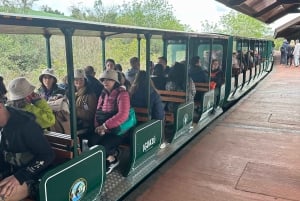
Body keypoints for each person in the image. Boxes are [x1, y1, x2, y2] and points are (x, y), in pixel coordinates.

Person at [0, 101, 55, 201]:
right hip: (12, 173)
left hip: (33, 178)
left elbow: (47, 155)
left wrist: (19, 177)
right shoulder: (3, 127)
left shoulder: (26, 125)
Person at [90, 69, 130, 174]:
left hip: (119, 130)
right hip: (105, 128)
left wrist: (105, 126)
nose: (105, 82)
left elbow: (123, 115)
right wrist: (98, 127)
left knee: (104, 146)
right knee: (92, 141)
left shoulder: (123, 94)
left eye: (109, 80)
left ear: (115, 82)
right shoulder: (103, 94)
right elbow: (97, 112)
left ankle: (112, 160)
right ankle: (110, 157)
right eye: (104, 80)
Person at [74, 69, 97, 135]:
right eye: (76, 79)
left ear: (85, 80)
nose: (78, 81)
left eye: (81, 79)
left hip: (85, 126)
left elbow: (91, 115)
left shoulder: (90, 95)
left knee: (69, 134)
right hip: (75, 123)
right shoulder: (73, 93)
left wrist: (74, 110)